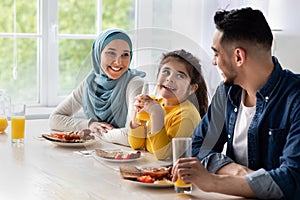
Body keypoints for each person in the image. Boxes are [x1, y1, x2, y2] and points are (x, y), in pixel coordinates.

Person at [172, 7, 300, 199]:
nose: (214, 62)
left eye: (216, 53)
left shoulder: (295, 98)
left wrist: (214, 181)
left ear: (238, 57)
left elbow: (292, 179)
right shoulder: (227, 93)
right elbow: (198, 147)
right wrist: (237, 172)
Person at [49, 28, 145, 146]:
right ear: (98, 54)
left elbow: (131, 137)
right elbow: (55, 119)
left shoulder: (135, 84)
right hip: (99, 151)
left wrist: (96, 132)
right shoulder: (90, 82)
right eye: (111, 53)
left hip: (129, 157)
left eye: (125, 54)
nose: (119, 62)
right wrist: (89, 125)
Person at [128, 49, 208, 160]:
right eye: (166, 72)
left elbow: (165, 156)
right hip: (150, 167)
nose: (170, 78)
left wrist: (156, 114)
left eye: (180, 76)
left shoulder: (187, 114)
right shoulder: (155, 103)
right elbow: (136, 144)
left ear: (191, 88)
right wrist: (136, 116)